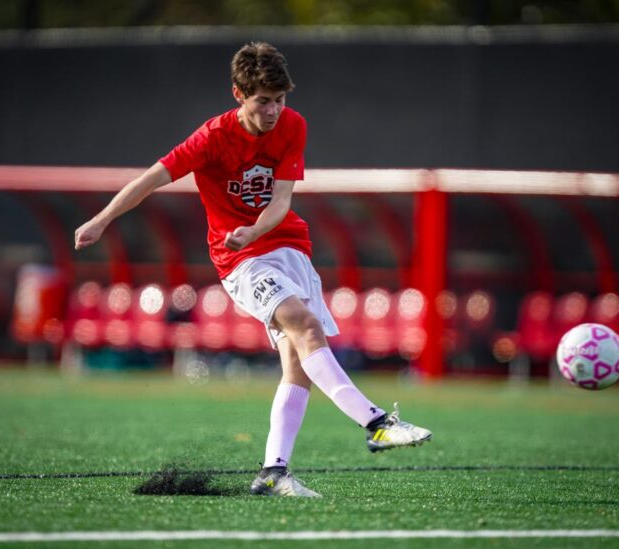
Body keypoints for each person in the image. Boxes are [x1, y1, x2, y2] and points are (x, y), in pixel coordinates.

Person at [74, 42, 432, 498]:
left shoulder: (293, 126)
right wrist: (102, 220)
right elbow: (150, 179)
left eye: (280, 99)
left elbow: (282, 202)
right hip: (240, 261)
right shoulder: (211, 139)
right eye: (263, 100)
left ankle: (272, 473)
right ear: (238, 94)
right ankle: (376, 423)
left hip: (289, 249)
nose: (273, 110)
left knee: (298, 366)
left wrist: (252, 229)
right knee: (303, 324)